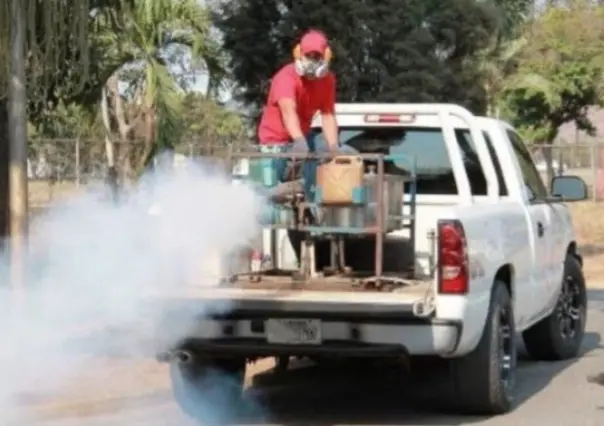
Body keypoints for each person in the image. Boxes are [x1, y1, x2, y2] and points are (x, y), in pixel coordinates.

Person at [257, 29, 358, 190]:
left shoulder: (327, 81)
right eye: (308, 56)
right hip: (275, 143)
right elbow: (288, 112)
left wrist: (333, 147)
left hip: (302, 138)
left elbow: (328, 115)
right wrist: (299, 140)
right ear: (298, 55)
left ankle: (313, 205)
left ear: (325, 57)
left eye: (316, 57)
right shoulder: (285, 77)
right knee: (271, 194)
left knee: (331, 155)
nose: (312, 62)